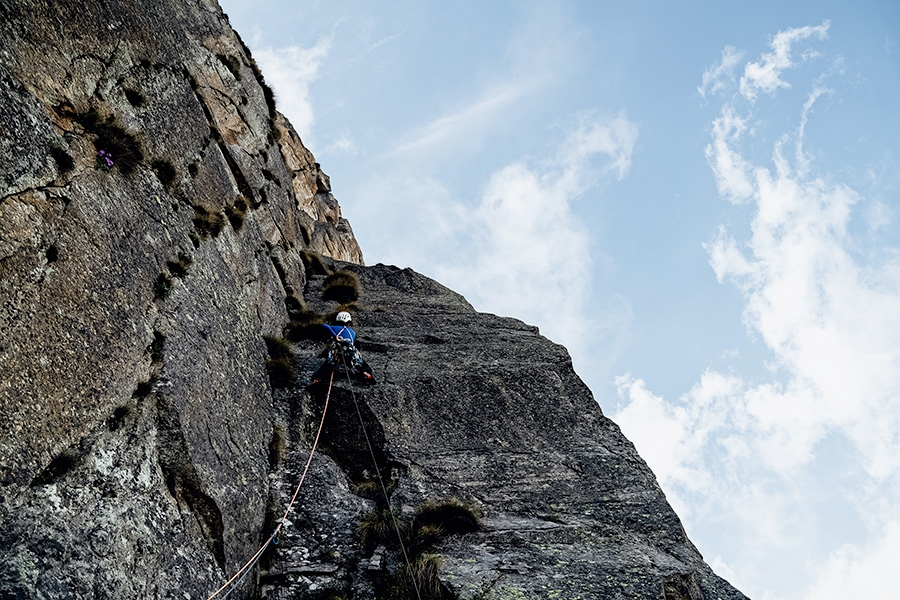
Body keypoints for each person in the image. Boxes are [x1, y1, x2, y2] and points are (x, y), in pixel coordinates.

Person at [309, 311, 375, 386]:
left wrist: (335, 336)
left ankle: (317, 379)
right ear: (349, 323)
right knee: (364, 366)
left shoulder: (335, 328)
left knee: (326, 366)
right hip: (350, 354)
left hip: (337, 353)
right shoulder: (352, 332)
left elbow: (324, 325)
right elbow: (355, 344)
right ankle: (366, 373)